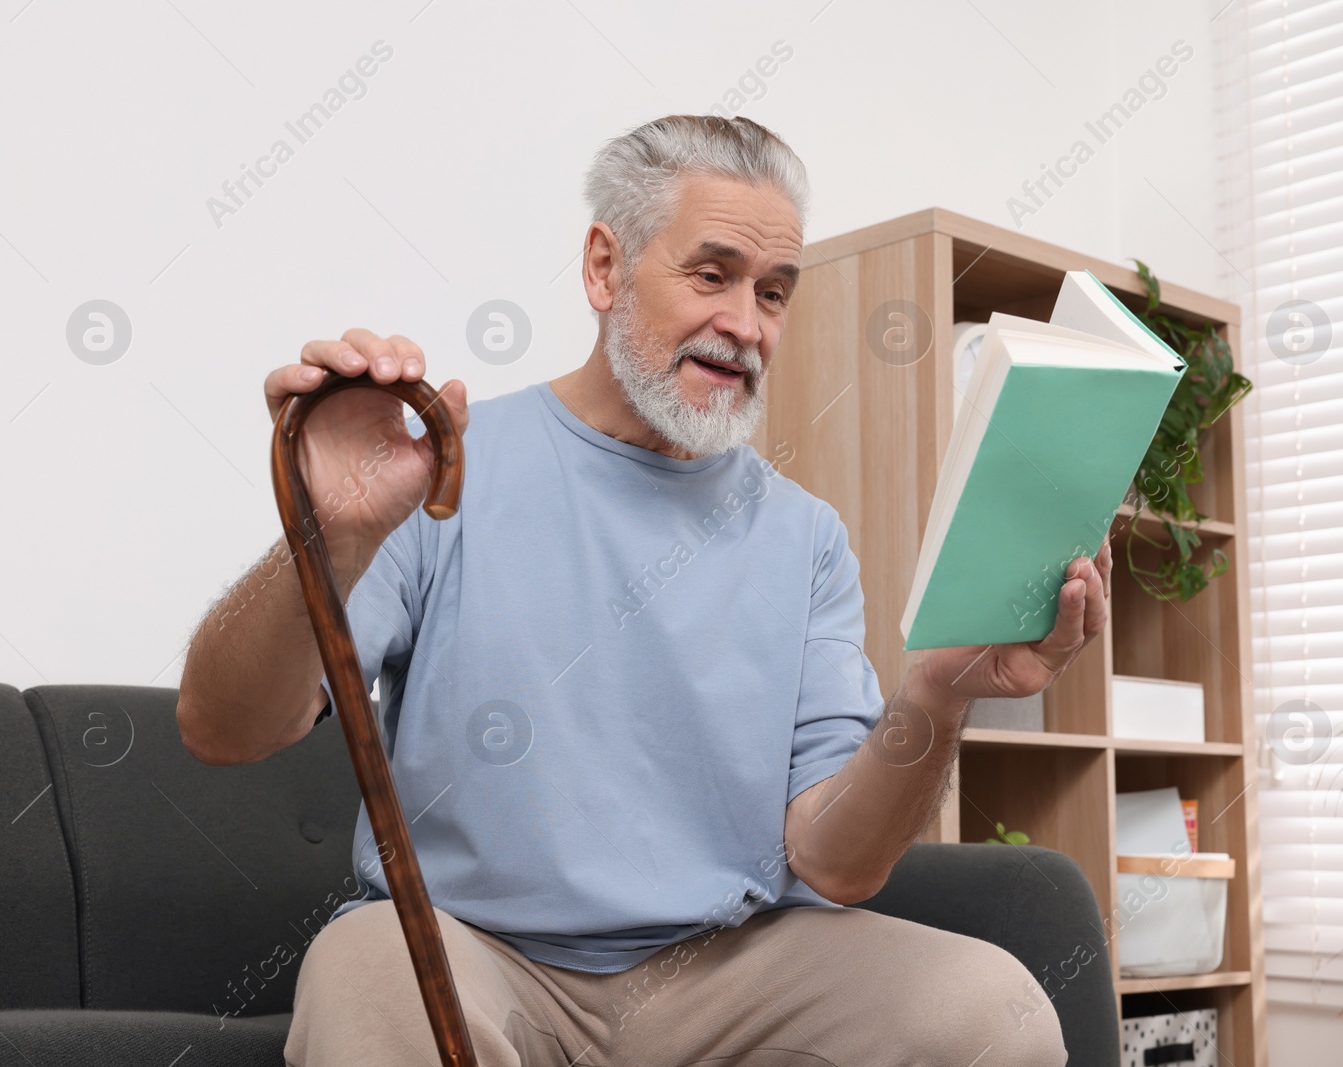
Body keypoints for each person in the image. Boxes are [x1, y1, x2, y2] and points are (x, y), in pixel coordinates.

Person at [177, 114, 1106, 1067]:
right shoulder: (435, 471)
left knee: (999, 1014)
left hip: (730, 975)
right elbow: (223, 726)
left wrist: (937, 695)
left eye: (773, 293)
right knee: (361, 963)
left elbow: (837, 861)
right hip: (481, 959)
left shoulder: (807, 539)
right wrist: (324, 537)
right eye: (712, 275)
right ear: (603, 269)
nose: (746, 324)